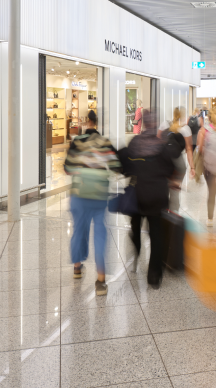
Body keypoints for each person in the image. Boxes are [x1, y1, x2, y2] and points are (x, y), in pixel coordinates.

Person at [64, 110, 120, 296]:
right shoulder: (104, 143)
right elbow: (116, 166)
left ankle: (77, 268)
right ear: (97, 123)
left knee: (79, 229)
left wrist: (81, 168)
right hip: (99, 195)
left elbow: (67, 168)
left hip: (79, 194)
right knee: (100, 234)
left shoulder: (77, 141)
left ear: (87, 122)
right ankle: (101, 281)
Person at [128, 109, 180, 286]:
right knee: (157, 235)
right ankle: (154, 275)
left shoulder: (135, 143)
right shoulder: (162, 145)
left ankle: (136, 247)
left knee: (135, 227)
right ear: (156, 124)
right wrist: (171, 180)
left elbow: (126, 166)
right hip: (157, 196)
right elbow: (171, 169)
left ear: (143, 123)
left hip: (138, 194)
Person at [161, 107, 195, 213]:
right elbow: (189, 149)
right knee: (175, 191)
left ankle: (162, 213)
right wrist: (192, 167)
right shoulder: (185, 129)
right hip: (178, 164)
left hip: (164, 162)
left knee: (163, 189)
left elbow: (157, 141)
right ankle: (173, 217)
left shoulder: (165, 125)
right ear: (183, 115)